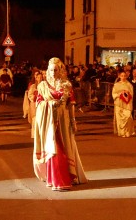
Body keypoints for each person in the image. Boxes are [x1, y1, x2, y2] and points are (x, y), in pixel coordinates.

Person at [33, 57, 87, 191]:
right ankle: (57, 180)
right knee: (55, 149)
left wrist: (74, 121)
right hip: (49, 122)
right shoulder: (42, 86)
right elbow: (38, 104)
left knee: (65, 147)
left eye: (55, 70)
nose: (52, 73)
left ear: (60, 70)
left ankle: (67, 176)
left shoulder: (67, 85)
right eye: (50, 70)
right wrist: (50, 105)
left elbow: (71, 105)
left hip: (63, 121)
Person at [112, 69, 135, 137]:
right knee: (119, 118)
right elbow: (114, 93)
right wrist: (119, 95)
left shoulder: (129, 85)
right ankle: (121, 132)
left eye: (124, 76)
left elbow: (131, 94)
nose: (123, 77)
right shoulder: (116, 85)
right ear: (119, 76)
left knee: (128, 117)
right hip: (118, 103)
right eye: (122, 76)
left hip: (127, 103)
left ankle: (127, 131)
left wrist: (126, 95)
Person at [27, 72, 43, 138]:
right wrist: (35, 97)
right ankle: (35, 134)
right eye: (38, 77)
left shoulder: (44, 86)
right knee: (35, 119)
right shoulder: (33, 86)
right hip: (35, 105)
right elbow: (30, 95)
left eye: (41, 77)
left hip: (42, 105)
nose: (40, 79)